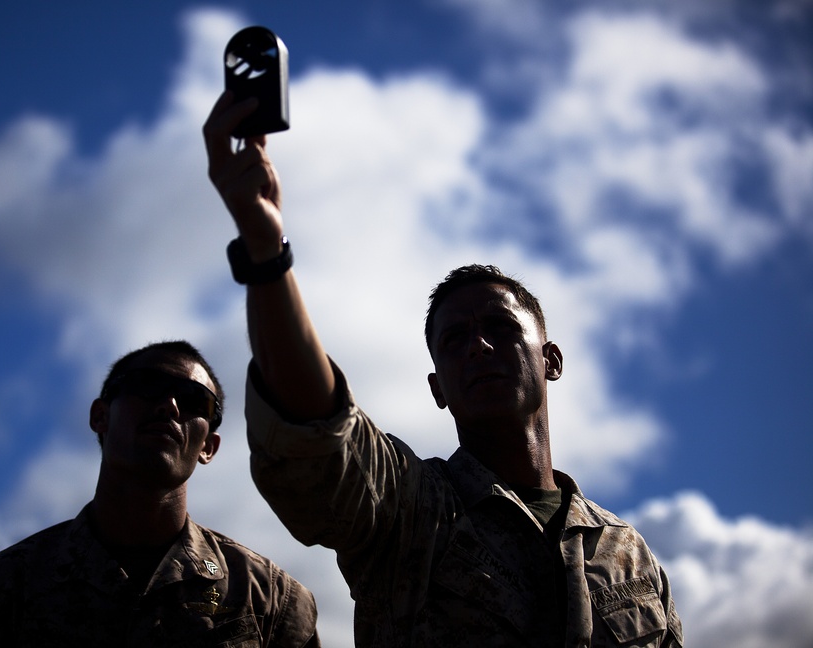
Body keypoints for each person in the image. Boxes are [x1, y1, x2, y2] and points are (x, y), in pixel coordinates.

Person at [203, 92, 683, 647]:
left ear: (550, 360)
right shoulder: (410, 510)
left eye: (501, 328)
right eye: (454, 341)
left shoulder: (630, 556)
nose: (478, 346)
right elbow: (318, 432)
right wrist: (266, 252)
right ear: (438, 389)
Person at [0, 340, 321, 647]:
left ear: (209, 447)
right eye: (149, 386)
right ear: (100, 416)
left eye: (194, 402)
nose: (169, 405)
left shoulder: (270, 600)